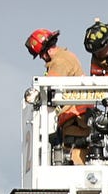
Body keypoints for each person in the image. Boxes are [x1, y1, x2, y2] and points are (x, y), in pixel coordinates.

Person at [24, 29, 89, 164]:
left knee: (74, 157)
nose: (41, 58)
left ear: (46, 50)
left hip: (75, 117)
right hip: (74, 115)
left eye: (41, 54)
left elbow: (49, 87)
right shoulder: (65, 56)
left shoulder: (59, 62)